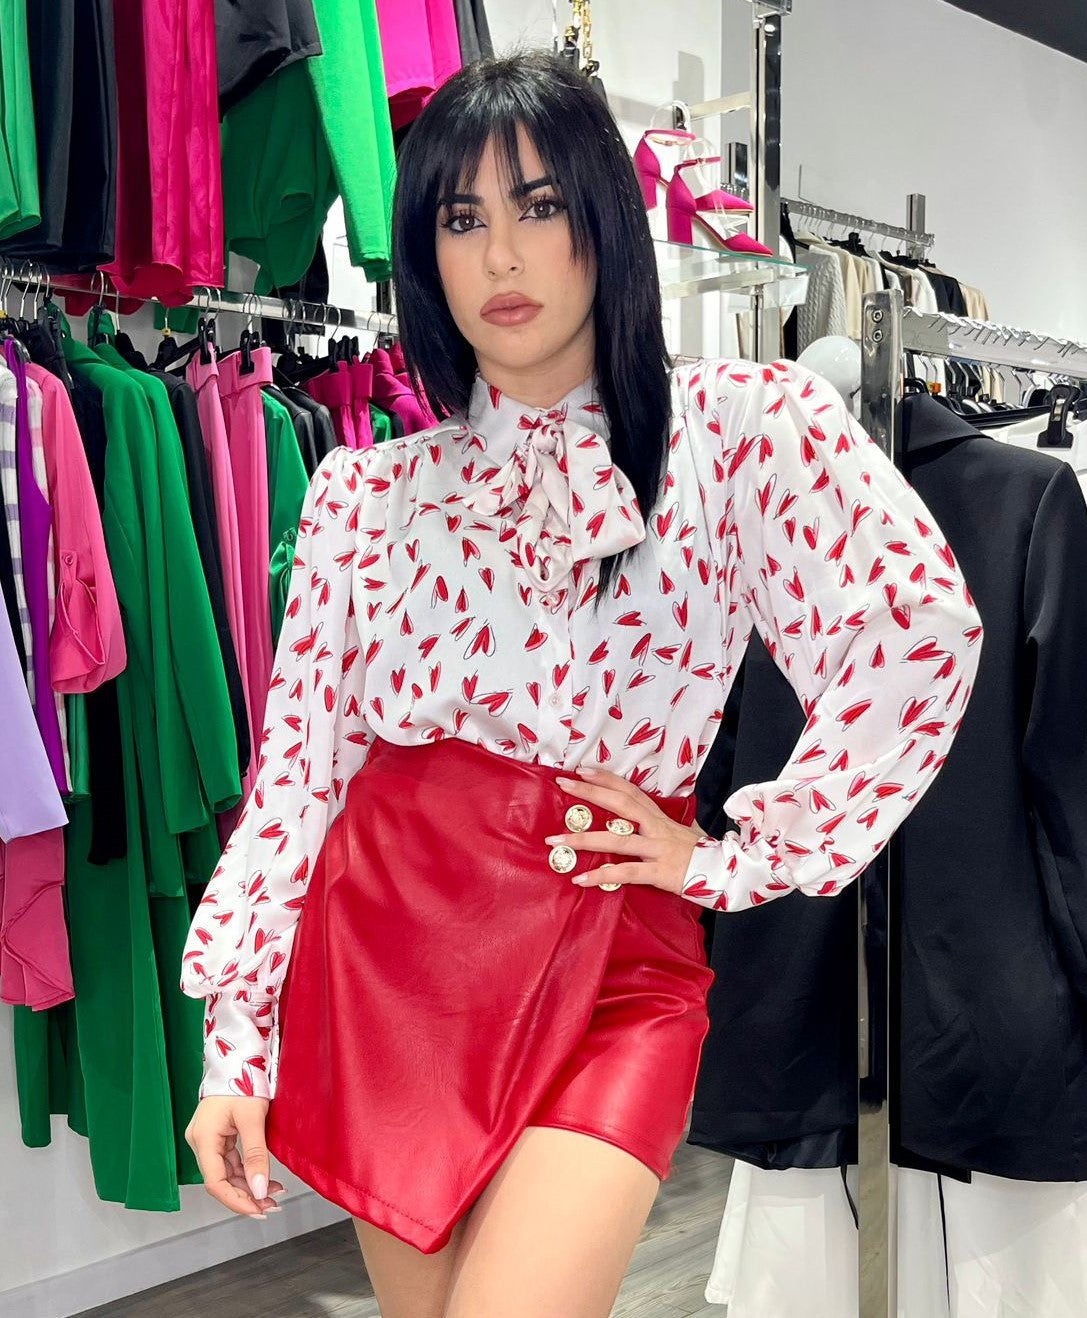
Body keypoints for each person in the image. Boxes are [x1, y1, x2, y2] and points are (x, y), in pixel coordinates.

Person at [179, 50, 981, 1318]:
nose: (501, 255)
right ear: (425, 252)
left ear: (603, 218)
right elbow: (298, 782)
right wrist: (236, 1042)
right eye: (462, 219)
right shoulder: (365, 494)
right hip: (390, 961)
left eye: (539, 205)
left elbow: (918, 627)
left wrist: (737, 856)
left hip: (616, 953)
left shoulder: (741, 431)